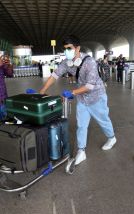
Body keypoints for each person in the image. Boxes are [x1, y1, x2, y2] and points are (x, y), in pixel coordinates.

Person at [40, 35, 117, 165]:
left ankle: (112, 138)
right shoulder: (66, 62)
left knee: (103, 120)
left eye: (69, 48)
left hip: (96, 96)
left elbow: (89, 86)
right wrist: (43, 90)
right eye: (65, 49)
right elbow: (55, 75)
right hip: (82, 98)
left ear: (78, 48)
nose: (66, 51)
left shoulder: (90, 62)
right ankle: (81, 151)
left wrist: (72, 92)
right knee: (81, 125)